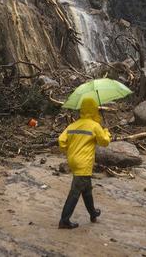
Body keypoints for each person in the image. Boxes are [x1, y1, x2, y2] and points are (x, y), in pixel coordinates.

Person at [58, 96, 111, 229]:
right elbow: (104, 142)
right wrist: (106, 132)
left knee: (86, 189)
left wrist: (70, 150)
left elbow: (61, 140)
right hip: (84, 163)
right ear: (94, 110)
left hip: (73, 161)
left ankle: (93, 213)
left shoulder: (73, 125)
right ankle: (64, 220)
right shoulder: (94, 126)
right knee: (75, 192)